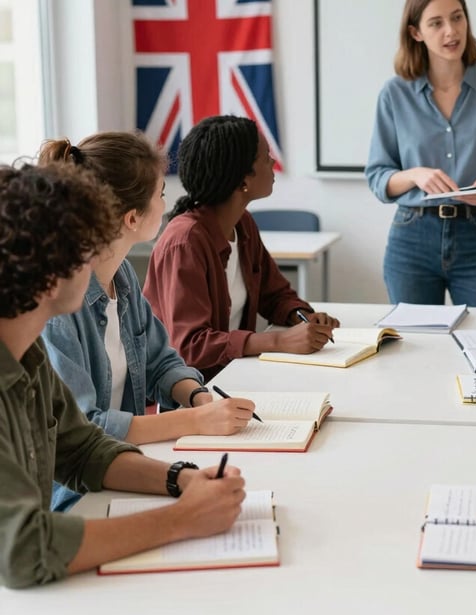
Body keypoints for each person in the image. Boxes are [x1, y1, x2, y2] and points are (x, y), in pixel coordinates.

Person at [0, 162, 245, 588]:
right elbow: (22, 549)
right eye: (85, 248)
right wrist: (182, 520)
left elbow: (81, 449)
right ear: (48, 273)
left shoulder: (29, 351)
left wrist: (181, 479)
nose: (96, 258)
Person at [37, 133, 255, 511]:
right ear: (133, 217)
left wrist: (197, 396)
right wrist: (197, 420)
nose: (167, 205)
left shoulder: (121, 276)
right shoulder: (58, 305)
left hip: (124, 470)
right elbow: (85, 430)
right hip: (76, 497)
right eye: (160, 195)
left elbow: (161, 361)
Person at [143, 115, 340, 381]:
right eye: (265, 157)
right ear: (241, 180)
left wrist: (302, 317)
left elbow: (276, 295)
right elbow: (190, 346)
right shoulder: (185, 242)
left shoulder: (243, 223)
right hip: (189, 395)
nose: (272, 162)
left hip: (231, 376)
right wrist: (278, 341)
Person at [365, 0, 476, 307]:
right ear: (415, 32)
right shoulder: (394, 93)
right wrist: (415, 175)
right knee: (415, 346)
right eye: (436, 23)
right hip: (411, 238)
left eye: (457, 18)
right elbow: (378, 176)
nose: (451, 31)